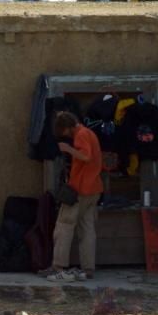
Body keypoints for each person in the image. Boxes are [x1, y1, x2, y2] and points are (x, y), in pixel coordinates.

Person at [44, 112, 104, 282]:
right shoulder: (89, 133)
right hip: (94, 189)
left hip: (79, 190)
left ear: (67, 127)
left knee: (64, 226)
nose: (64, 135)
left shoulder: (81, 134)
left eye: (63, 131)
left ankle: (58, 267)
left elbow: (86, 156)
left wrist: (68, 149)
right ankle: (88, 269)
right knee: (87, 229)